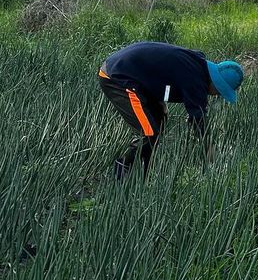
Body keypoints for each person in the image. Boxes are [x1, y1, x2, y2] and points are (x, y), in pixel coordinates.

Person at [98, 41, 244, 179]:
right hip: (117, 77)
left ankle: (141, 176)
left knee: (159, 121)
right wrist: (209, 147)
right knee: (148, 132)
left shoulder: (198, 67)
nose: (216, 95)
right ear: (216, 83)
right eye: (219, 91)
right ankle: (123, 174)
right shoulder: (196, 79)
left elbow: (164, 73)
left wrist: (158, 102)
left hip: (133, 77)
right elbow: (198, 118)